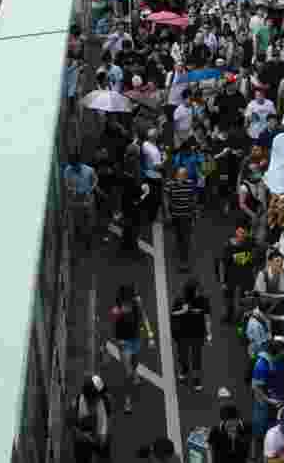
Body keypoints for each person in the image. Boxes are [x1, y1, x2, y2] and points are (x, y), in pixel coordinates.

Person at [110, 284, 155, 414]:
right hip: (124, 343)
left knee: (135, 363)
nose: (130, 301)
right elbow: (114, 329)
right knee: (128, 373)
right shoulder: (117, 310)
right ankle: (127, 401)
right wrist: (119, 341)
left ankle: (135, 374)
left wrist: (150, 334)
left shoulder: (137, 303)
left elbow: (144, 317)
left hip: (135, 338)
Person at [171, 278, 211, 392]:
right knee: (182, 355)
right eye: (197, 290)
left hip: (197, 333)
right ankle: (184, 369)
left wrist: (209, 333)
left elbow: (207, 317)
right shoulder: (180, 300)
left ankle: (197, 379)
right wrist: (182, 311)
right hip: (182, 333)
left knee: (196, 357)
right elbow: (173, 313)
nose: (199, 292)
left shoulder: (203, 300)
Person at [70, 375, 112, 463]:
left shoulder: (104, 401)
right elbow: (72, 427)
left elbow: (106, 420)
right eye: (99, 395)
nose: (101, 397)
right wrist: (84, 437)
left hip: (100, 440)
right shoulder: (76, 405)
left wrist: (102, 437)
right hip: (83, 444)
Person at [166, 167, 198, 273]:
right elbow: (166, 199)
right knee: (179, 236)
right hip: (175, 216)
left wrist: (195, 214)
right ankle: (181, 252)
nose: (182, 177)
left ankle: (183, 262)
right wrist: (167, 213)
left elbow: (193, 199)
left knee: (185, 239)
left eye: (184, 175)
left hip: (186, 217)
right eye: (180, 175)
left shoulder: (190, 185)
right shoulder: (170, 185)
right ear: (176, 176)